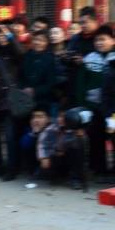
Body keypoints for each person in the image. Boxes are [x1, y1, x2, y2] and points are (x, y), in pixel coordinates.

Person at [74, 24, 114, 180]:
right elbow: (80, 84)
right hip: (94, 107)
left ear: (112, 40)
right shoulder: (89, 59)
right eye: (97, 40)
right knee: (96, 140)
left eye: (103, 39)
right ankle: (100, 170)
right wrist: (83, 104)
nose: (99, 43)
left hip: (112, 110)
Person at [0, 24, 23, 181]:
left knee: (9, 136)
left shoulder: (14, 53)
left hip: (9, 98)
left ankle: (12, 169)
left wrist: (10, 37)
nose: (1, 38)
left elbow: (20, 54)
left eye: (4, 35)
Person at [37, 108, 87, 190]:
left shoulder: (76, 130)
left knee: (76, 151)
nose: (61, 119)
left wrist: (80, 137)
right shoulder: (51, 129)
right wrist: (44, 157)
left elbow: (81, 148)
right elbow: (42, 144)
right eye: (59, 116)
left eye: (64, 117)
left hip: (69, 159)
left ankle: (75, 179)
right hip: (55, 157)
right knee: (47, 164)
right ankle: (55, 176)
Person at [21, 30, 57, 117]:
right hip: (24, 99)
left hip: (42, 101)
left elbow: (51, 83)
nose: (37, 42)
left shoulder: (50, 59)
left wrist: (34, 91)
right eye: (35, 39)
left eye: (41, 40)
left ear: (46, 43)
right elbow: (20, 76)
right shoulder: (26, 56)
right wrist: (23, 88)